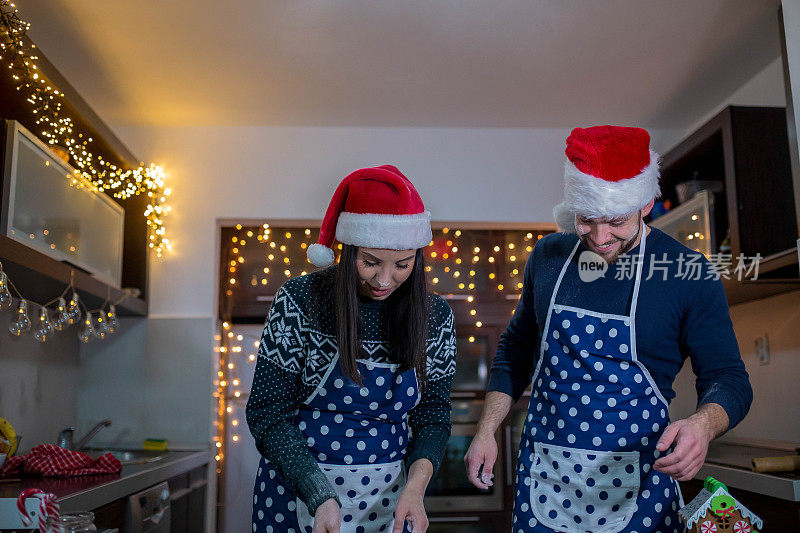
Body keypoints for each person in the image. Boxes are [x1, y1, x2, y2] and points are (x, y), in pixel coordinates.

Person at [464, 126, 752, 532]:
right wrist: (486, 429)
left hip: (639, 488)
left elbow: (729, 379)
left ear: (645, 202)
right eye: (587, 220)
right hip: (546, 478)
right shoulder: (548, 256)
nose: (600, 238)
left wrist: (702, 426)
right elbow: (516, 348)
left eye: (615, 221)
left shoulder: (688, 274)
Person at [246, 165, 456, 533]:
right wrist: (319, 493)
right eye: (370, 262)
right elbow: (267, 412)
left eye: (403, 265)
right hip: (299, 492)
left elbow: (432, 417)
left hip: (392, 499)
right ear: (348, 251)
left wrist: (416, 488)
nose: (385, 279)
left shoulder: (435, 316)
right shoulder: (301, 301)